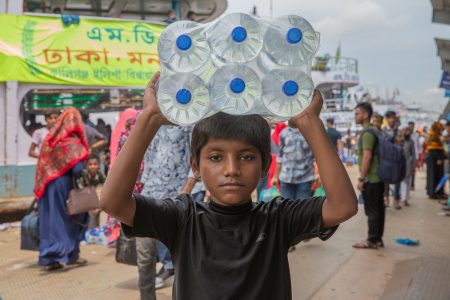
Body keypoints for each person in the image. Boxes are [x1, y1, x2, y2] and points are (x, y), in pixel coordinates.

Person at [100, 74, 357, 299]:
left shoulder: (277, 219)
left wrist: (310, 122)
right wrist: (150, 118)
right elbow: (113, 202)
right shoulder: (182, 218)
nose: (231, 169)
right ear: (196, 166)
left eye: (246, 157)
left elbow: (342, 206)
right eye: (216, 157)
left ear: (265, 166)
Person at [34, 108, 89, 271]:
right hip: (63, 187)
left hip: (46, 187)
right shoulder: (72, 141)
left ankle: (49, 259)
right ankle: (69, 255)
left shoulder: (50, 140)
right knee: (70, 219)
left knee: (48, 221)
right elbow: (78, 169)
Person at [353, 102, 385, 249]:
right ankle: (377, 239)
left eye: (357, 113)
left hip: (371, 178)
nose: (355, 115)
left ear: (366, 115)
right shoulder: (375, 130)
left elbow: (367, 157)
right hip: (379, 176)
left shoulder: (367, 133)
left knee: (372, 210)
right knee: (379, 209)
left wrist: (361, 178)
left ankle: (371, 240)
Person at [271, 126, 315, 202]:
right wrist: (275, 176)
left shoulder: (310, 133)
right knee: (286, 208)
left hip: (305, 178)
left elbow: (315, 156)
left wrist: (317, 173)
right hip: (286, 178)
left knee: (302, 209)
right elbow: (280, 156)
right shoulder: (284, 133)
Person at [77, 155, 107, 228]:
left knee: (101, 189)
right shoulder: (83, 174)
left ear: (99, 165)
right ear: (86, 166)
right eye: (90, 164)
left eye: (95, 164)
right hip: (86, 195)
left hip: (96, 194)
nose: (93, 166)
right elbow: (80, 188)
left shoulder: (100, 173)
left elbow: (105, 184)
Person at [425, 122, 446, 199]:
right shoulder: (434, 136)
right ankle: (434, 193)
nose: (441, 129)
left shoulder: (434, 135)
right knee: (434, 175)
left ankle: (435, 192)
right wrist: (439, 159)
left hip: (435, 157)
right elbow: (434, 149)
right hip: (435, 158)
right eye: (440, 128)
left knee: (435, 175)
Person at [396, 127, 416, 208]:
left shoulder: (411, 141)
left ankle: (405, 199)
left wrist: (414, 165)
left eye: (408, 131)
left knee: (407, 181)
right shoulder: (399, 140)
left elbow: (413, 154)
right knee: (398, 181)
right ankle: (400, 197)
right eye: (405, 131)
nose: (407, 132)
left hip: (408, 163)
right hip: (398, 163)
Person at [409, 121, 420, 191]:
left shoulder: (416, 135)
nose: (411, 127)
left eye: (412, 126)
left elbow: (418, 145)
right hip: (407, 155)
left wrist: (418, 155)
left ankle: (412, 184)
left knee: (413, 170)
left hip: (414, 155)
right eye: (410, 126)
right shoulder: (406, 134)